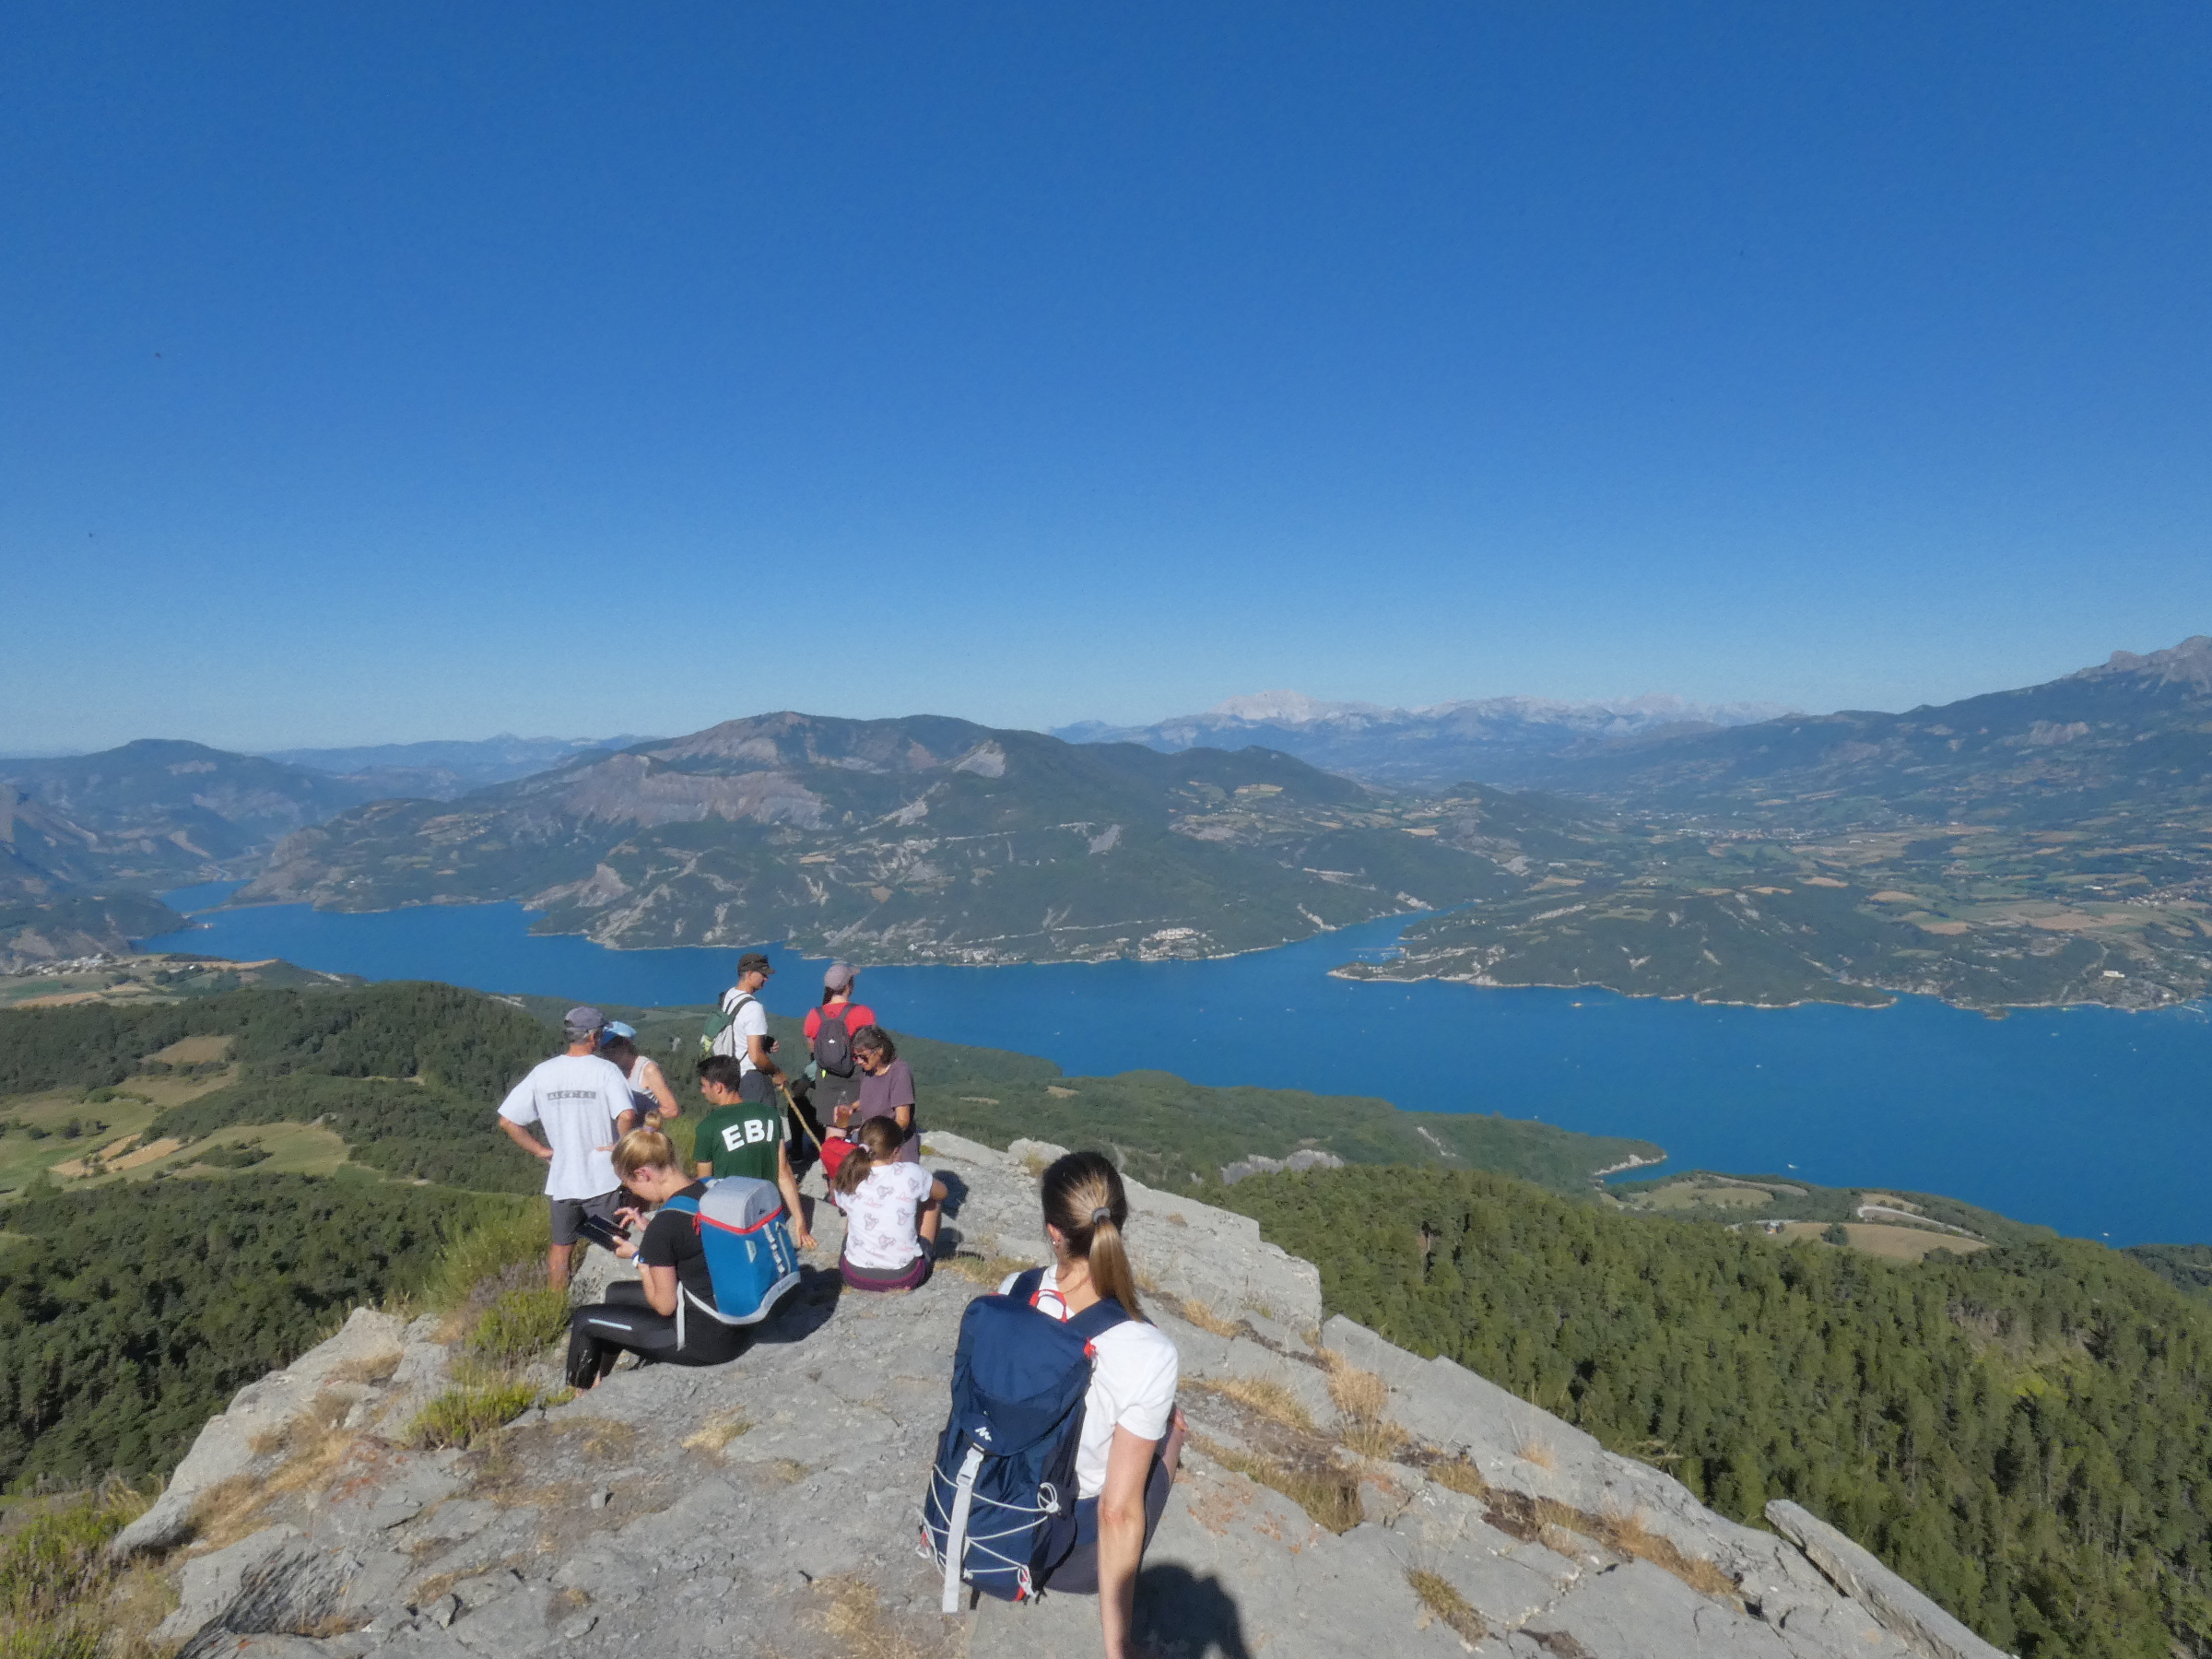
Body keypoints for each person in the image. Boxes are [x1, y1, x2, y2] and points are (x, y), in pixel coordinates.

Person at [997, 1150, 1185, 1653]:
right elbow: (1116, 1513)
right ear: (1118, 1226)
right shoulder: (1149, 1352)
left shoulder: (1012, 1292)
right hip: (1065, 1554)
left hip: (996, 1515)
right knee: (1173, 1429)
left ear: (1053, 1231)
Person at [565, 1128, 746, 1385]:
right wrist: (650, 1232)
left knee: (585, 1319)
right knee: (616, 1293)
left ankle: (579, 1398)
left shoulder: (666, 1223)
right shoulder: (707, 1189)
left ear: (643, 1174)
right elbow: (692, 1242)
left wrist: (640, 1258)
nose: (633, 1193)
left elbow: (665, 1305)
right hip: (733, 1320)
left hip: (704, 1342)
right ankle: (600, 1381)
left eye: (629, 1184)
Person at [496, 1005, 640, 1291]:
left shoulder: (543, 1073)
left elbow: (508, 1121)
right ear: (593, 1037)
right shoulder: (606, 1070)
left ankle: (556, 1304)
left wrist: (541, 1151)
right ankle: (611, 1301)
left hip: (562, 1178)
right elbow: (626, 1115)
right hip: (602, 1178)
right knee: (612, 1243)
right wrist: (622, 1148)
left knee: (561, 1247)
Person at [692, 1053, 816, 1250]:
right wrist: (800, 1222)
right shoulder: (769, 1115)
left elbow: (705, 1185)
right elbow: (783, 1171)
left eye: (704, 1085)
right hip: (768, 1212)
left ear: (718, 1087)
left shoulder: (708, 1127)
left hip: (733, 1219)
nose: (702, 1091)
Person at [827, 1115, 944, 1292]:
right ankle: (925, 1253)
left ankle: (863, 1253)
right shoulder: (910, 1172)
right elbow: (942, 1193)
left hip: (853, 1274)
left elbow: (840, 1200)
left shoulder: (850, 1173)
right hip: (906, 1276)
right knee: (931, 1202)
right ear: (896, 1151)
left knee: (855, 1210)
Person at [804, 962, 876, 1132]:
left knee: (834, 1127)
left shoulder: (814, 1015)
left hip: (827, 1076)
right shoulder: (863, 1013)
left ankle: (834, 1157)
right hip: (857, 1075)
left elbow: (813, 1048)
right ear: (847, 986)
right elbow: (874, 1047)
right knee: (859, 1128)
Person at [712, 951, 785, 1109]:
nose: (766, 979)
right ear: (750, 974)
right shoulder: (753, 1008)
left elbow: (735, 1031)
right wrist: (777, 1072)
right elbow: (756, 1057)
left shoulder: (728, 996)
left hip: (730, 1079)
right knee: (764, 1126)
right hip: (752, 1081)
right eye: (763, 974)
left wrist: (763, 1042)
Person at [849, 1025, 920, 1163]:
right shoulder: (868, 1071)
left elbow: (902, 1120)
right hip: (872, 1146)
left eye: (863, 1057)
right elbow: (871, 1098)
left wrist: (877, 1139)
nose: (859, 1062)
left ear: (880, 1051)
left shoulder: (899, 1072)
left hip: (894, 1151)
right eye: (855, 1057)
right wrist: (851, 1108)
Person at [599, 1021, 679, 1126]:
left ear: (626, 1043)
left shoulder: (648, 1069)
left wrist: (635, 1115)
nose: (608, 1052)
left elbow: (672, 1110)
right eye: (603, 1048)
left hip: (644, 1138)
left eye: (612, 1046)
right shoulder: (612, 1071)